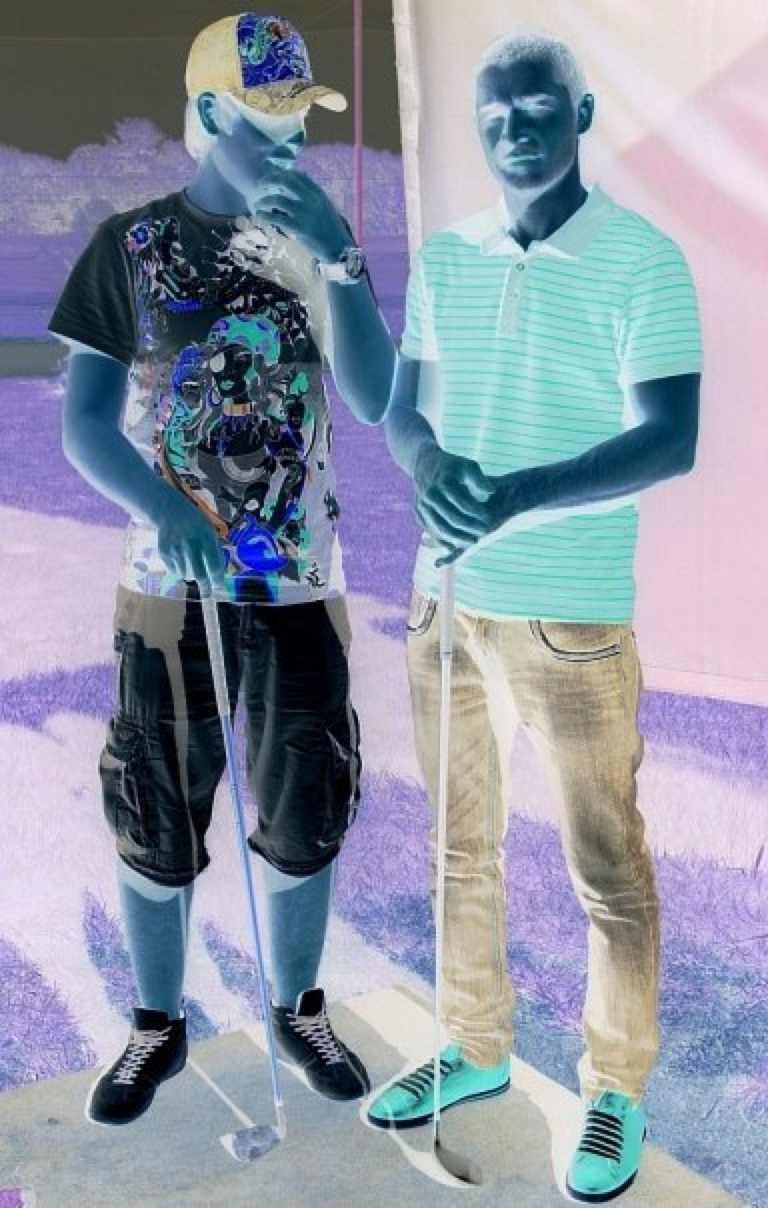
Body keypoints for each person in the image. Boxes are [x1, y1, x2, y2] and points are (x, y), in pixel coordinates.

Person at [368, 27, 701, 1205]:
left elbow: (671, 438)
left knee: (606, 864)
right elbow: (404, 411)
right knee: (459, 848)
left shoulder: (644, 260)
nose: (514, 126)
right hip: (445, 603)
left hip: (572, 617)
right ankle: (473, 1043)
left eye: (537, 106)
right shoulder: (446, 258)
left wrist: (517, 492)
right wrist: (429, 463)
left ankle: (614, 1087)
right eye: (495, 110)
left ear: (580, 115)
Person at [50, 12, 394, 1128]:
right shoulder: (130, 247)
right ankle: (158, 1023)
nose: (293, 138)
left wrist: (339, 255)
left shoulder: (316, 245)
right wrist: (167, 509)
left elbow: (376, 398)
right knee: (155, 813)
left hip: (300, 588)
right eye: (270, 115)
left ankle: (298, 1008)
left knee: (305, 813)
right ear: (208, 113)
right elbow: (86, 426)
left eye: (303, 117)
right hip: (169, 593)